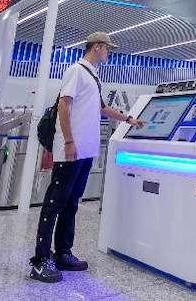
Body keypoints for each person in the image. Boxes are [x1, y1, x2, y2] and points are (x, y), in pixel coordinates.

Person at [29, 31, 144, 283]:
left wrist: (128, 119)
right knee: (54, 204)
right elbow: (64, 104)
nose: (109, 53)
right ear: (98, 47)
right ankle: (40, 260)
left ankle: (63, 253)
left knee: (71, 203)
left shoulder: (93, 76)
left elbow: (102, 108)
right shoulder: (76, 71)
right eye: (108, 48)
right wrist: (69, 141)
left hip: (86, 151)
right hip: (71, 150)